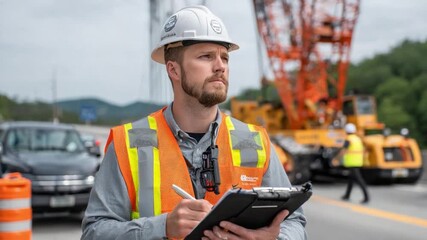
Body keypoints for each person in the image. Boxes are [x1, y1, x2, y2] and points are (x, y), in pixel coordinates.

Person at [81, 5, 307, 240]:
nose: (220, 66)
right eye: (206, 56)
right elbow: (94, 233)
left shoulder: (254, 141)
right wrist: (163, 227)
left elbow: (295, 221)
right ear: (174, 70)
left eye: (224, 57)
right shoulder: (127, 144)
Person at [335, 123, 369, 203]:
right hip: (358, 161)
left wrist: (336, 159)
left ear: (346, 131)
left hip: (352, 162)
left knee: (359, 180)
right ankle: (347, 195)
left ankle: (366, 197)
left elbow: (344, 150)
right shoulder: (357, 139)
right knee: (351, 179)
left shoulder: (349, 139)